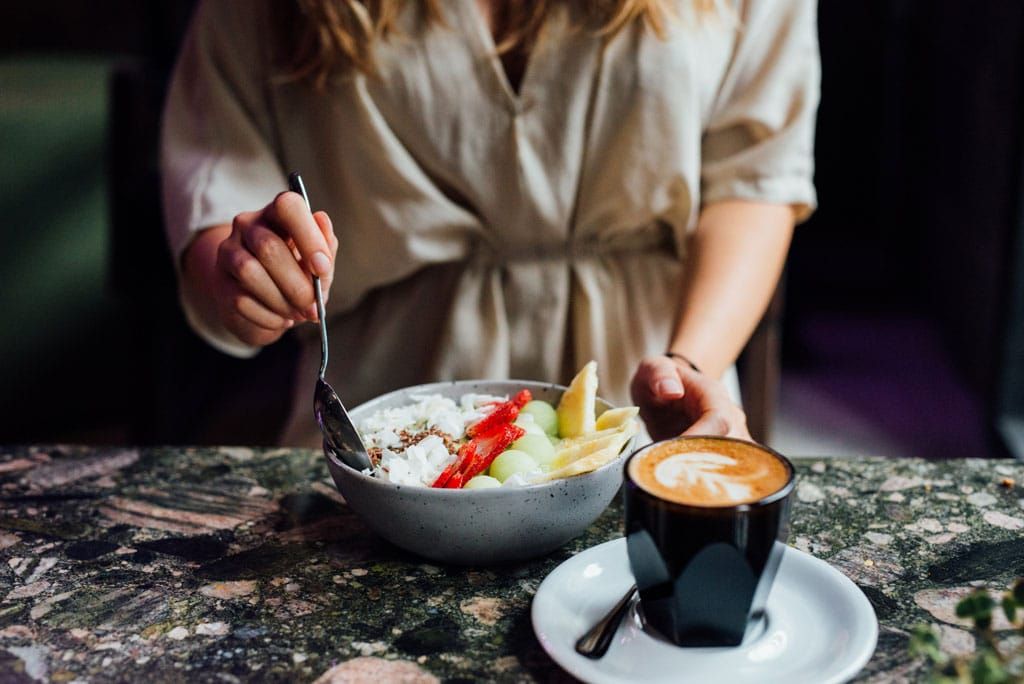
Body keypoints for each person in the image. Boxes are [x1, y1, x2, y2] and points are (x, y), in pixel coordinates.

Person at [161, 0, 818, 448]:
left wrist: (687, 367)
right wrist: (246, 276)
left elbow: (752, 182)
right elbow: (218, 191)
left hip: (642, 415)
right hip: (384, 430)